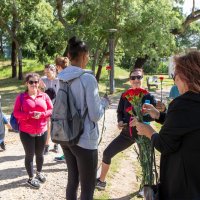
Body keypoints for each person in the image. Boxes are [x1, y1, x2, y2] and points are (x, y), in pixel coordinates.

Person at [132, 51, 200, 199]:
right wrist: (159, 115)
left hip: (182, 183)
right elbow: (186, 124)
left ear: (184, 76)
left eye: (174, 75)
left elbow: (164, 144)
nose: (174, 79)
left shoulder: (183, 103)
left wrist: (149, 131)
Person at [57, 36, 109, 200]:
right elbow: (94, 115)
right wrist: (104, 104)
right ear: (85, 56)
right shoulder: (88, 78)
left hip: (66, 135)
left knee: (72, 181)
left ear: (69, 57)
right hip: (85, 139)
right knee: (88, 188)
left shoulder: (62, 77)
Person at [96, 68, 157, 191]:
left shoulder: (148, 96)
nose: (135, 80)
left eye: (138, 77)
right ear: (130, 80)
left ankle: (146, 188)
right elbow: (119, 111)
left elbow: (153, 116)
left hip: (143, 133)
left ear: (142, 79)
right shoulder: (125, 95)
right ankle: (101, 182)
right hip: (126, 134)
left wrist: (140, 120)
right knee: (107, 153)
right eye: (133, 78)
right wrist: (120, 121)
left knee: (146, 160)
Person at [13, 73, 53, 189]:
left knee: (40, 154)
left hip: (42, 130)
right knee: (29, 155)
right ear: (26, 83)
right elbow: (16, 113)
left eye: (36, 82)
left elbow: (50, 109)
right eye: (31, 82)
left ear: (39, 83)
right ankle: (30, 178)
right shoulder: (21, 97)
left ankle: (39, 172)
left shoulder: (44, 96)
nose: (34, 84)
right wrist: (29, 115)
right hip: (26, 132)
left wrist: (42, 114)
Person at [40, 64, 60, 154]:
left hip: (58, 106)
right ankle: (46, 146)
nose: (46, 74)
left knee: (57, 126)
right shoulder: (43, 80)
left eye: (48, 72)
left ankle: (56, 144)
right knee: (48, 125)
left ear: (54, 71)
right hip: (47, 107)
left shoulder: (59, 80)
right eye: (45, 72)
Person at [53, 56, 70, 162]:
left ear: (58, 66)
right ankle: (67, 155)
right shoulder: (69, 75)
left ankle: (67, 156)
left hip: (64, 110)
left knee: (64, 133)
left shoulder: (61, 77)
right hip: (70, 108)